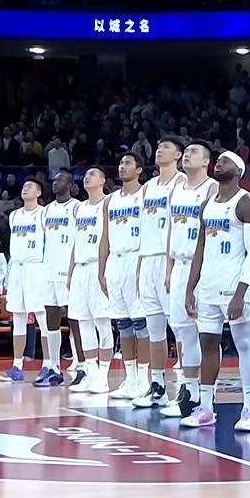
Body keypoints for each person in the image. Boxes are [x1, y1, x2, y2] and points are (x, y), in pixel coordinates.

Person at [183, 151, 250, 430]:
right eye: (218, 160)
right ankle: (205, 407)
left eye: (225, 161)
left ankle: (249, 410)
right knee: (207, 343)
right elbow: (200, 249)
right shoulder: (207, 204)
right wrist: (190, 288)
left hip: (234, 286)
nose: (219, 163)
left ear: (238, 171)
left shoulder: (246, 203)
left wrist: (241, 292)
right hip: (209, 285)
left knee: (244, 344)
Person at [151, 140, 217, 416]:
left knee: (206, 333)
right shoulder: (177, 189)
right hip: (179, 265)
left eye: (194, 152)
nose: (188, 155)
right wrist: (168, 268)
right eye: (186, 152)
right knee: (184, 332)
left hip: (202, 266)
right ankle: (189, 394)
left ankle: (208, 395)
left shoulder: (212, 188)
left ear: (206, 161)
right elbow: (170, 231)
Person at [133, 137, 184, 407]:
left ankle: (187, 387)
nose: (159, 149)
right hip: (148, 260)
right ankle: (158, 387)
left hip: (169, 260)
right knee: (154, 329)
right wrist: (139, 265)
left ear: (178, 155)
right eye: (159, 146)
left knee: (181, 328)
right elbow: (143, 230)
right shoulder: (148, 187)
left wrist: (170, 265)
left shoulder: (183, 184)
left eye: (166, 147)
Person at [99, 152, 151, 399]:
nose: (122, 166)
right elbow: (104, 237)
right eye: (120, 162)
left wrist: (142, 265)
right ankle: (130, 379)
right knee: (123, 323)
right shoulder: (109, 200)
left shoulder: (146, 194)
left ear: (139, 169)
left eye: (128, 163)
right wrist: (101, 270)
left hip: (136, 257)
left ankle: (144, 379)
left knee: (141, 322)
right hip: (115, 261)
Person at [66, 168, 114, 393]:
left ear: (103, 181)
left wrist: (105, 272)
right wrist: (70, 272)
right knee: (83, 322)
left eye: (93, 174)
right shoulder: (79, 207)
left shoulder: (109, 203)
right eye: (86, 174)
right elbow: (75, 242)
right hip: (80, 268)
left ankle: (103, 376)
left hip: (98, 266)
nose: (87, 177)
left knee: (102, 323)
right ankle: (91, 374)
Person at [0, 179, 49, 383]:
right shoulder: (14, 215)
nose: (25, 188)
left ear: (39, 192)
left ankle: (48, 364)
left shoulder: (45, 214)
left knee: (42, 317)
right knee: (18, 317)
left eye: (30, 186)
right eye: (24, 186)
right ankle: (17, 365)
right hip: (17, 268)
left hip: (36, 267)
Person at [39, 171, 83, 387]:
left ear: (71, 185)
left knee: (75, 319)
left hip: (68, 270)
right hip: (49, 270)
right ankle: (54, 367)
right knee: (51, 319)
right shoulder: (46, 210)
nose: (56, 183)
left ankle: (82, 366)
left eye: (61, 180)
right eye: (54, 180)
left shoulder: (77, 207)